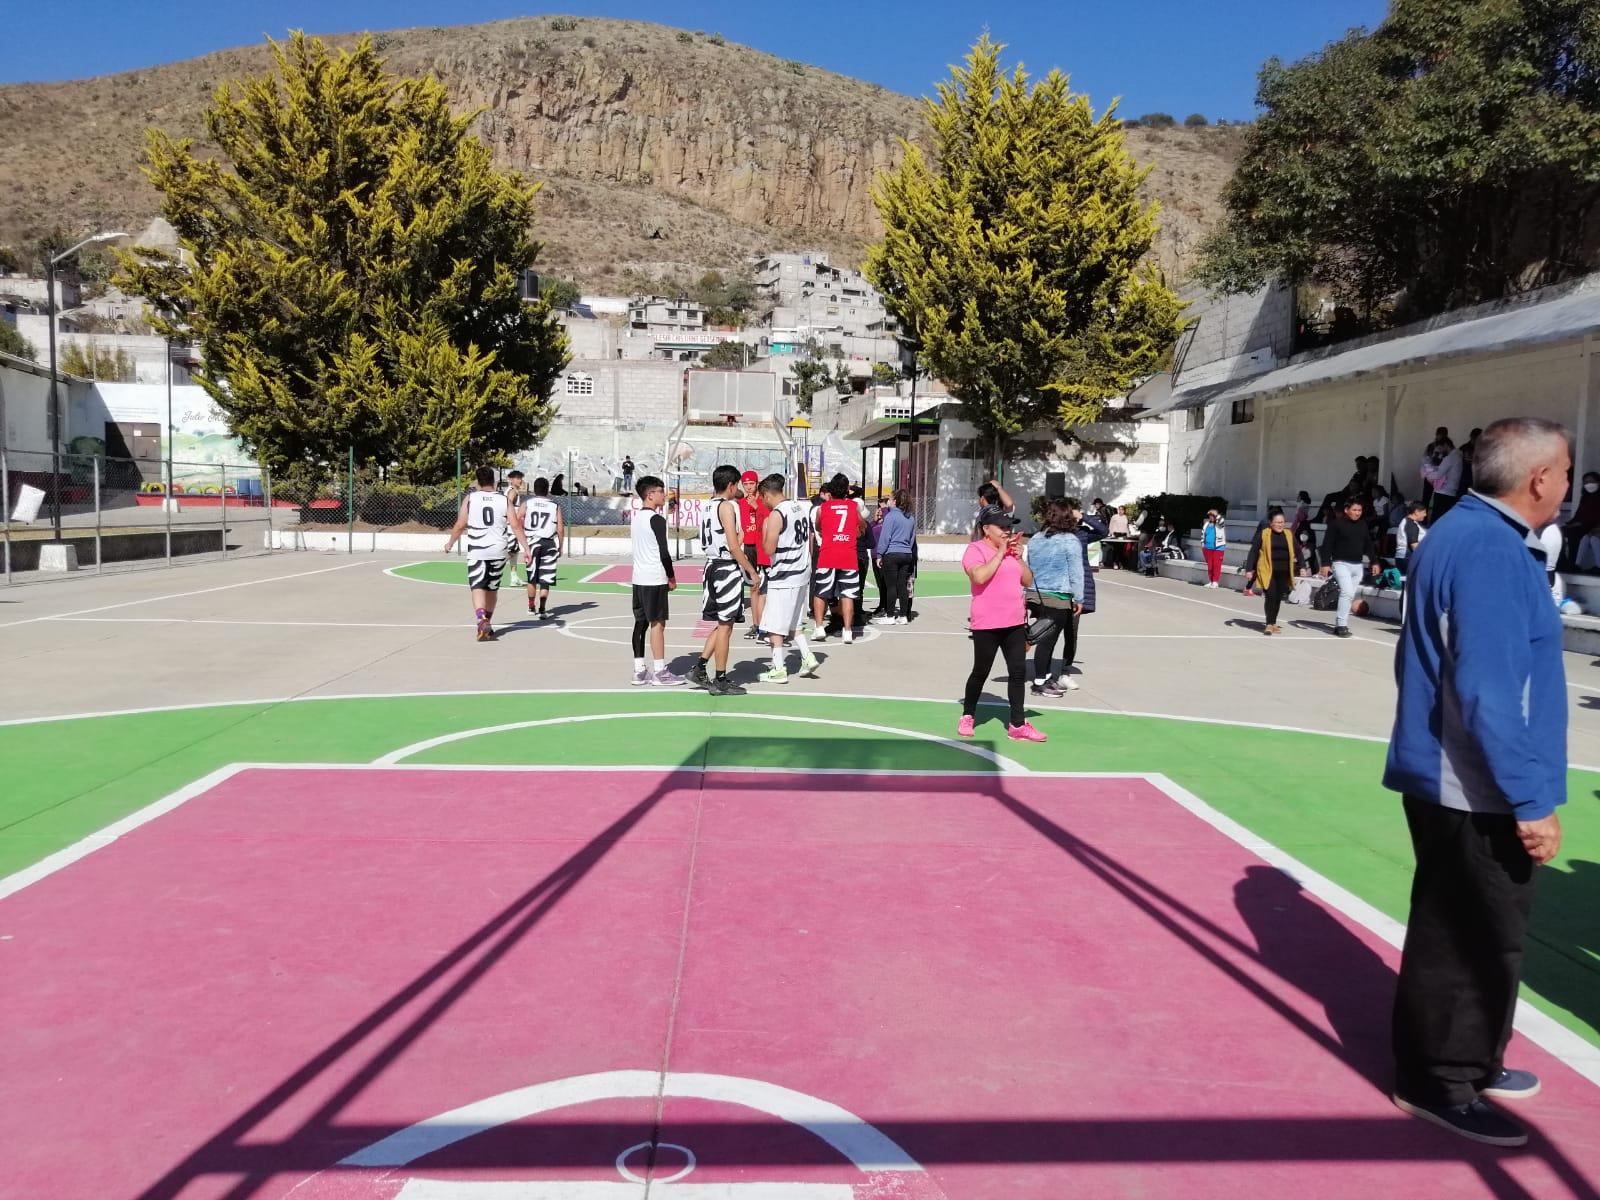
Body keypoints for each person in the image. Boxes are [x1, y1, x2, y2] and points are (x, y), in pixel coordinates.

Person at [1386, 417, 1571, 1148]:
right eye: (1563, 471)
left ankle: (1475, 1058)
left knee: (1486, 933)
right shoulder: (1490, 550)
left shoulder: (1462, 534)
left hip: (1457, 772)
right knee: (1466, 935)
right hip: (1474, 782)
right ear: (1538, 480)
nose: (1565, 484)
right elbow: (1490, 691)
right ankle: (1441, 1079)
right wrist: (1529, 799)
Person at [958, 507, 1046, 743]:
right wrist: (1000, 553)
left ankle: (1017, 724)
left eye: (1009, 527)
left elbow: (1027, 580)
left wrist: (1017, 557)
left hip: (1014, 621)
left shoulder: (1011, 552)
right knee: (981, 671)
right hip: (987, 623)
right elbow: (979, 577)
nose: (1008, 532)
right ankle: (968, 714)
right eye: (1002, 527)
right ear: (986, 529)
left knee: (1018, 673)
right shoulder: (975, 550)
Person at [687, 465, 757, 696]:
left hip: (711, 565)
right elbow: (734, 545)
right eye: (736, 484)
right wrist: (751, 571)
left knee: (721, 623)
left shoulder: (707, 505)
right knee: (726, 626)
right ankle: (721, 679)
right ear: (730, 485)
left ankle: (699, 667)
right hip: (726, 568)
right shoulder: (727, 507)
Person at [444, 466, 529, 642]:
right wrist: (526, 548)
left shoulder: (470, 499)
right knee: (492, 588)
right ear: (494, 481)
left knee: (477, 586)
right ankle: (487, 623)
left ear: (478, 482)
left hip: (478, 549)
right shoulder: (503, 500)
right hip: (498, 549)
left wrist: (450, 542)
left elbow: (460, 524)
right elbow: (515, 525)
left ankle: (481, 619)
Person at [750, 475, 821, 684]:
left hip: (784, 574)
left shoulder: (776, 515)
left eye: (762, 497)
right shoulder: (799, 508)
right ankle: (807, 656)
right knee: (793, 621)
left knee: (774, 624)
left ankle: (778, 668)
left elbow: (768, 548)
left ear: (766, 494)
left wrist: (764, 532)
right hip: (801, 570)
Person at [1023, 498, 1085, 695]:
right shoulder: (1070, 540)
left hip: (1035, 594)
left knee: (1044, 637)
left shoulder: (1035, 539)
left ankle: (1047, 676)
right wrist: (1079, 598)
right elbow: (1076, 572)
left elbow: (1030, 565)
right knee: (1047, 641)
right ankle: (1040, 682)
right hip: (1057, 596)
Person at [628, 475, 684, 686]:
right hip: (654, 578)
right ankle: (660, 671)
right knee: (658, 625)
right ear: (651, 495)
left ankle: (639, 669)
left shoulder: (636, 519)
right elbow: (664, 552)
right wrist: (671, 576)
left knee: (640, 623)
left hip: (638, 578)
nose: (664, 495)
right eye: (661, 491)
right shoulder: (656, 519)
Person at [811, 475, 867, 645]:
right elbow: (862, 525)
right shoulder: (853, 506)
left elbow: (818, 527)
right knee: (848, 594)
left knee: (820, 591)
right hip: (848, 554)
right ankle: (848, 631)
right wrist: (854, 533)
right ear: (846, 490)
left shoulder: (822, 508)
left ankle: (819, 627)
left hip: (828, 553)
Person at [1318, 497, 1380, 637]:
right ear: (1346, 510)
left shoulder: (1363, 525)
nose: (1357, 513)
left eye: (1359, 510)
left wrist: (1374, 561)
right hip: (1341, 564)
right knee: (1346, 592)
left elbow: (1368, 545)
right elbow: (1327, 545)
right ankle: (1341, 625)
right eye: (1354, 510)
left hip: (1357, 566)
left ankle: (1340, 623)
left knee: (1349, 595)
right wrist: (1325, 564)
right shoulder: (1336, 524)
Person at [1245, 508, 1305, 635]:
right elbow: (1254, 552)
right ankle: (1268, 624)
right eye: (1277, 522)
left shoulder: (1288, 534)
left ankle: (1273, 623)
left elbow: (1298, 551)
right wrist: (1249, 569)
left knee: (1278, 598)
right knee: (1271, 596)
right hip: (1267, 571)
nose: (1280, 525)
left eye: (1282, 522)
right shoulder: (1264, 534)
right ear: (1271, 523)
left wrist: (1303, 566)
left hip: (1283, 572)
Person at [515, 476, 564, 619]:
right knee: (545, 578)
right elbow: (560, 528)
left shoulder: (527, 503)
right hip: (549, 543)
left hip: (532, 542)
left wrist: (523, 535)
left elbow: (517, 520)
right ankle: (542, 609)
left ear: (534, 490)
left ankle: (531, 606)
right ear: (547, 490)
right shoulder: (555, 505)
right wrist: (560, 546)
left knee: (532, 577)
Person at [874, 489, 917, 624]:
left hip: (892, 553)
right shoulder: (910, 517)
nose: (888, 502)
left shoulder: (891, 516)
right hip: (906, 554)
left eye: (890, 499)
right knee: (902, 586)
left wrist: (880, 554)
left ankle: (890, 615)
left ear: (895, 501)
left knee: (891, 586)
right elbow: (911, 539)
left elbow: (885, 537)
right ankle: (903, 616)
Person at [737, 469, 771, 640]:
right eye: (746, 484)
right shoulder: (741, 503)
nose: (749, 487)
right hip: (749, 547)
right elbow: (743, 529)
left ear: (757, 484)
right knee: (753, 587)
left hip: (762, 547)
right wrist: (735, 546)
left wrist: (756, 506)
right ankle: (756, 625)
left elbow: (769, 519)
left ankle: (764, 624)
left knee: (764, 588)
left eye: (752, 483)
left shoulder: (763, 500)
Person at [1562, 470, 1600, 568]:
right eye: (1586, 482)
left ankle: (1572, 563)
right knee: (1561, 532)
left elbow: (1593, 517)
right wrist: (1570, 523)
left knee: (1574, 534)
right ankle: (1562, 562)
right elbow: (1579, 515)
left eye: (1591, 481)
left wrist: (1580, 523)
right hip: (1582, 525)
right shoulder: (1585, 498)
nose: (1589, 484)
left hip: (1591, 526)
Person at [1423, 440, 1464, 520]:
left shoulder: (1450, 458)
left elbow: (1438, 474)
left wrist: (1428, 475)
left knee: (1436, 518)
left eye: (1440, 448)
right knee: (1445, 517)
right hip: (1451, 491)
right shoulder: (1458, 456)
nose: (1439, 451)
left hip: (1443, 491)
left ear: (1445, 445)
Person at [502, 469, 528, 588]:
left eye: (520, 478)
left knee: (514, 552)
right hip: (511, 527)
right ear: (511, 479)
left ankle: (514, 577)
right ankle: (495, 573)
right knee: (510, 552)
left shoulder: (510, 490)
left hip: (510, 525)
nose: (520, 480)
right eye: (517, 478)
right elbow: (508, 506)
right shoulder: (512, 492)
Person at [1394, 501, 1427, 578]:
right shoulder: (1411, 524)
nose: (1425, 515)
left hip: (1403, 557)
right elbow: (1414, 545)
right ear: (1416, 512)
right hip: (1407, 557)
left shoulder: (1407, 521)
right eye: (1424, 512)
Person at [1200, 507, 1227, 588]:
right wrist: (1202, 543)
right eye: (1210, 515)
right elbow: (1203, 534)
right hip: (1207, 548)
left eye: (1212, 515)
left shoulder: (1220, 524)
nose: (1211, 517)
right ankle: (1211, 581)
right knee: (1210, 566)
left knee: (1216, 565)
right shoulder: (1206, 524)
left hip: (1218, 548)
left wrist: (1216, 514)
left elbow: (1221, 521)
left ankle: (1215, 582)